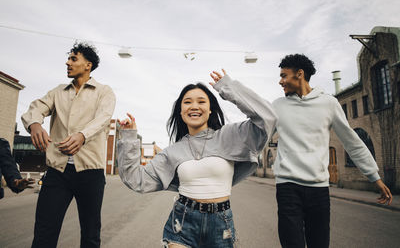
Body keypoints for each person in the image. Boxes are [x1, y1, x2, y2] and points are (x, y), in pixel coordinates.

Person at [117, 69, 277, 248]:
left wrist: (228, 87)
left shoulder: (230, 136)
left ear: (210, 110)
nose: (194, 106)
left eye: (201, 102)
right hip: (182, 223)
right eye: (187, 102)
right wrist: (129, 137)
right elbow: (135, 179)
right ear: (181, 111)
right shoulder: (173, 152)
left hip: (221, 224)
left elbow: (267, 118)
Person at [272, 54, 393, 248]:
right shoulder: (278, 106)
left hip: (318, 189)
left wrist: (374, 176)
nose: (281, 81)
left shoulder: (329, 103)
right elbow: (257, 133)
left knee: (319, 243)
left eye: (284, 75)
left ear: (299, 74)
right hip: (287, 186)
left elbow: (351, 141)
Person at [21, 42, 116, 248]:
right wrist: (35, 123)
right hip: (57, 172)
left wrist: (82, 135)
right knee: (44, 234)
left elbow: (103, 119)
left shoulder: (104, 92)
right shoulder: (58, 92)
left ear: (88, 65)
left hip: (91, 172)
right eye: (69, 58)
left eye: (73, 59)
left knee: (91, 235)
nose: (68, 62)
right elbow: (36, 108)